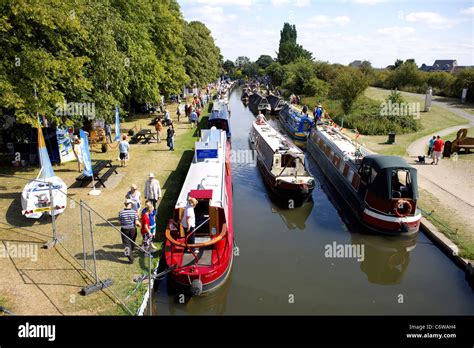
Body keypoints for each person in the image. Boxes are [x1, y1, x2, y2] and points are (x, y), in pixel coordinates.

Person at [119, 199, 141, 264]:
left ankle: (129, 257)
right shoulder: (134, 212)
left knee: (126, 244)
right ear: (130, 204)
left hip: (124, 230)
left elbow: (119, 222)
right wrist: (140, 225)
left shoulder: (121, 212)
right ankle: (130, 252)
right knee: (132, 242)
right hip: (133, 230)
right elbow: (137, 222)